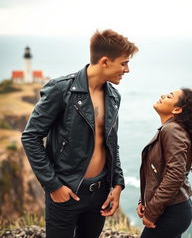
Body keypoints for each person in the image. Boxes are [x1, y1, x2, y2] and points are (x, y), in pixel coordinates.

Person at [21, 29, 138, 238]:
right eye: (123, 63)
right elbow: (30, 137)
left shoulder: (113, 96)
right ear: (104, 61)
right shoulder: (60, 89)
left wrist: (117, 184)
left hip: (100, 193)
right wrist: (53, 185)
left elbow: (111, 143)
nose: (127, 70)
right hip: (66, 191)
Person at [137, 88, 192, 238]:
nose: (162, 95)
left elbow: (175, 174)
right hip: (172, 208)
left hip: (171, 212)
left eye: (169, 96)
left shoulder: (172, 130)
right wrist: (144, 200)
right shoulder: (171, 129)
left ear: (177, 109)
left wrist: (152, 210)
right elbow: (159, 173)